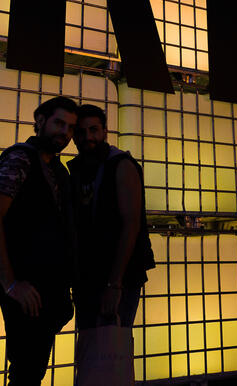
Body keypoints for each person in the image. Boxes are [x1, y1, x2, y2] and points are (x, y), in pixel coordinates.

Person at [0, 96, 78, 385]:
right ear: (40, 121)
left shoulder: (58, 169)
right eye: (59, 123)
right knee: (28, 368)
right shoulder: (20, 158)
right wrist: (11, 283)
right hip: (25, 285)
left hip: (44, 285)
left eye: (70, 127)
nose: (65, 133)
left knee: (31, 366)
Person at [67, 104, 155, 333]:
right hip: (88, 276)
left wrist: (114, 284)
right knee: (93, 344)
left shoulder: (121, 165)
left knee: (110, 342)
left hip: (119, 277)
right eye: (81, 131)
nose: (88, 137)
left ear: (105, 131)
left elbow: (131, 224)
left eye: (94, 130)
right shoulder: (79, 168)